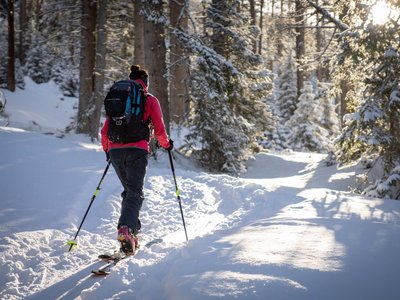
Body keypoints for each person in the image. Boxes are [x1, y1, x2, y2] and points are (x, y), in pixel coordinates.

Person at [101, 65, 172, 254]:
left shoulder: (120, 97)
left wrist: (108, 150)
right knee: (134, 192)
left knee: (129, 191)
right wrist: (166, 145)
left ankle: (132, 232)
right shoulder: (148, 99)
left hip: (115, 151)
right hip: (137, 150)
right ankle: (126, 228)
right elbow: (159, 129)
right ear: (145, 82)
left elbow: (105, 130)